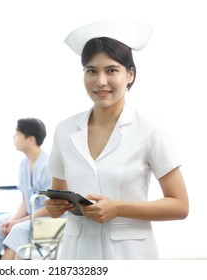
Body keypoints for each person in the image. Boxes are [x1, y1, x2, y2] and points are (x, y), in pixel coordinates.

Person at [45, 20, 189, 259]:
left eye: (111, 70)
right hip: (77, 255)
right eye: (91, 71)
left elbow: (180, 205)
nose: (100, 81)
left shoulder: (150, 129)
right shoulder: (65, 130)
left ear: (129, 74)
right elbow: (57, 197)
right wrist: (54, 208)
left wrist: (118, 208)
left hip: (129, 256)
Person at [0, 118, 51, 260]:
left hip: (50, 218)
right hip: (30, 216)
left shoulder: (49, 166)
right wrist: (11, 222)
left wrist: (16, 223)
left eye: (17, 133)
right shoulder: (23, 165)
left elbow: (51, 208)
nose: (14, 137)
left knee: (17, 230)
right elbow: (25, 201)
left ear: (31, 139)